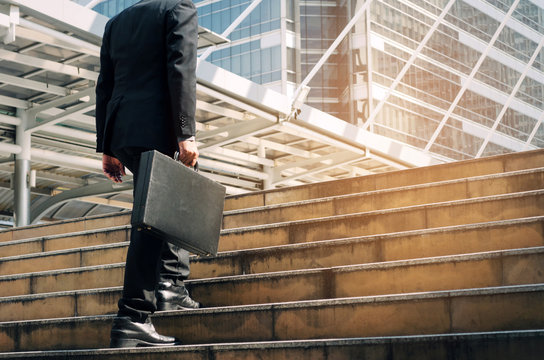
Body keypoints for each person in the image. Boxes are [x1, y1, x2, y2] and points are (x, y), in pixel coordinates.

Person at [95, 0, 200, 348]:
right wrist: (185, 132)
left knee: (171, 199)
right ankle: (134, 315)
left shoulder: (117, 22)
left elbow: (104, 85)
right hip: (156, 127)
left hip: (123, 130)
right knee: (154, 218)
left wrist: (107, 146)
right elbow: (181, 68)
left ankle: (170, 284)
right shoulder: (178, 9)